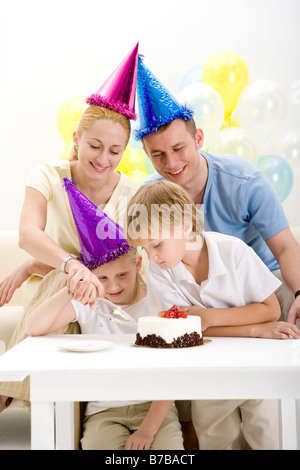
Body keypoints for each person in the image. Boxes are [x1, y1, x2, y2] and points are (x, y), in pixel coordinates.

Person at [0, 44, 141, 412]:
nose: (102, 159)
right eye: (94, 145)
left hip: (103, 303)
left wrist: (36, 265)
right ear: (76, 139)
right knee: (61, 284)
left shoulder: (133, 195)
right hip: (57, 294)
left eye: (115, 151)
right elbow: (29, 235)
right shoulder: (47, 176)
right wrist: (70, 266)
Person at [125, 180, 300, 449]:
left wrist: (210, 317)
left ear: (184, 225)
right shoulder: (160, 271)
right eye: (144, 249)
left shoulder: (234, 252)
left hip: (256, 365)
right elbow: (185, 332)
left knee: (268, 437)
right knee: (216, 440)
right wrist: (254, 329)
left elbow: (271, 310)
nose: (151, 256)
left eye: (157, 244)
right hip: (207, 373)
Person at [134, 55, 300, 326]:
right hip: (198, 297)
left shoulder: (246, 181)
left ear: (199, 138)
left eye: (178, 149)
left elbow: (284, 248)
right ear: (145, 153)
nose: (172, 164)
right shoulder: (149, 197)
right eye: (158, 154)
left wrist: (299, 292)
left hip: (260, 288)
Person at [25, 180, 184, 451]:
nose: (113, 286)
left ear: (139, 264)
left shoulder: (160, 299)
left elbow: (175, 372)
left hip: (155, 409)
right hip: (104, 411)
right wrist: (71, 288)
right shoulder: (91, 300)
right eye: (102, 278)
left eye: (122, 275)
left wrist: (147, 430)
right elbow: (33, 327)